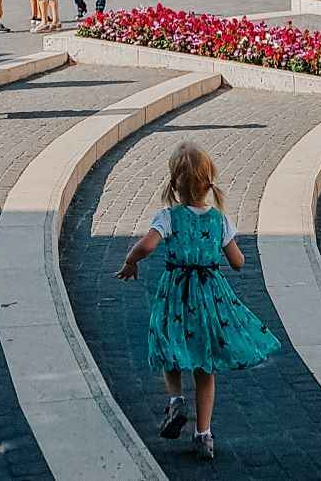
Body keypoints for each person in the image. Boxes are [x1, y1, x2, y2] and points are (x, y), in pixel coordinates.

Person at [117, 140, 280, 463]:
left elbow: (147, 246)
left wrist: (130, 261)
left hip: (175, 292)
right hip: (208, 294)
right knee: (205, 365)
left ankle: (176, 400)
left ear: (174, 184)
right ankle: (203, 435)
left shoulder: (168, 216)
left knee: (170, 346)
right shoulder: (219, 220)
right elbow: (238, 262)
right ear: (209, 183)